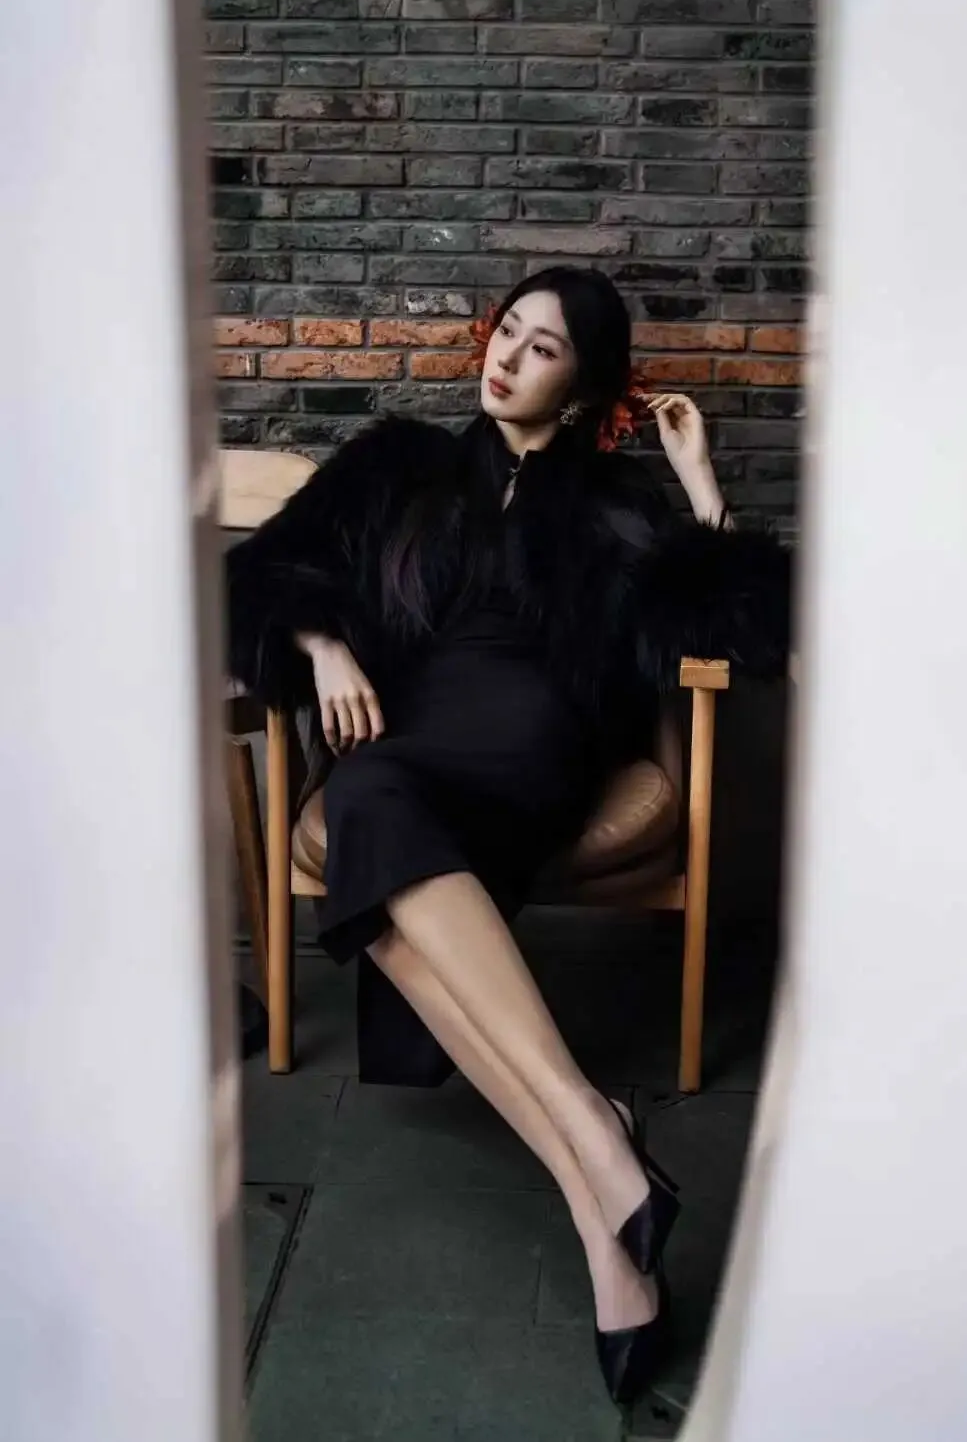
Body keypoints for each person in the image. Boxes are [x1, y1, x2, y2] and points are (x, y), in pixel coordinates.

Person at [226, 265, 790, 1404]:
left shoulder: (617, 501)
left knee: (374, 837)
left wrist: (698, 483)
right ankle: (599, 1177)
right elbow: (261, 579)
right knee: (372, 804)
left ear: (581, 389)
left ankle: (597, 1150)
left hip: (535, 741)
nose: (509, 358)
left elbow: (737, 629)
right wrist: (323, 646)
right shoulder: (398, 464)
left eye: (543, 349)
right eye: (508, 332)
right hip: (413, 735)